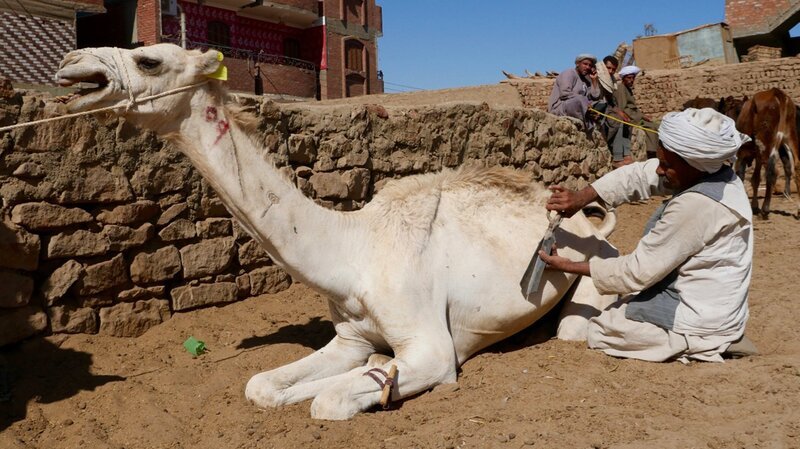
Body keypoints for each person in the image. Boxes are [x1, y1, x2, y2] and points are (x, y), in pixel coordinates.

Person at [540, 108, 756, 363]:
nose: (660, 171)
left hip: (697, 314)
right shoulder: (713, 174)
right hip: (713, 300)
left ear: (692, 164)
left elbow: (637, 272)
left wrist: (567, 266)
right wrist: (580, 198)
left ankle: (703, 342)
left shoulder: (697, 205)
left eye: (666, 164)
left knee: (601, 330)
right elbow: (639, 175)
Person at [614, 65, 659, 163]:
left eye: (632, 78)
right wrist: (640, 117)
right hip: (631, 118)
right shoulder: (621, 88)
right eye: (629, 78)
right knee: (651, 127)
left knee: (656, 125)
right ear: (623, 78)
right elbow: (624, 108)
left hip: (635, 115)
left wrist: (644, 116)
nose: (631, 80)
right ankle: (652, 152)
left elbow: (633, 108)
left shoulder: (627, 89)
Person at [548, 54, 602, 130]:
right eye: (585, 64)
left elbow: (595, 96)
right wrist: (585, 102)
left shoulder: (585, 80)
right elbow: (565, 93)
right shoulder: (569, 73)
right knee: (580, 99)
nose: (587, 67)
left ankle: (590, 118)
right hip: (560, 107)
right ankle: (588, 122)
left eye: (590, 65)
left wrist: (594, 80)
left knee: (601, 103)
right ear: (577, 64)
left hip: (577, 106)